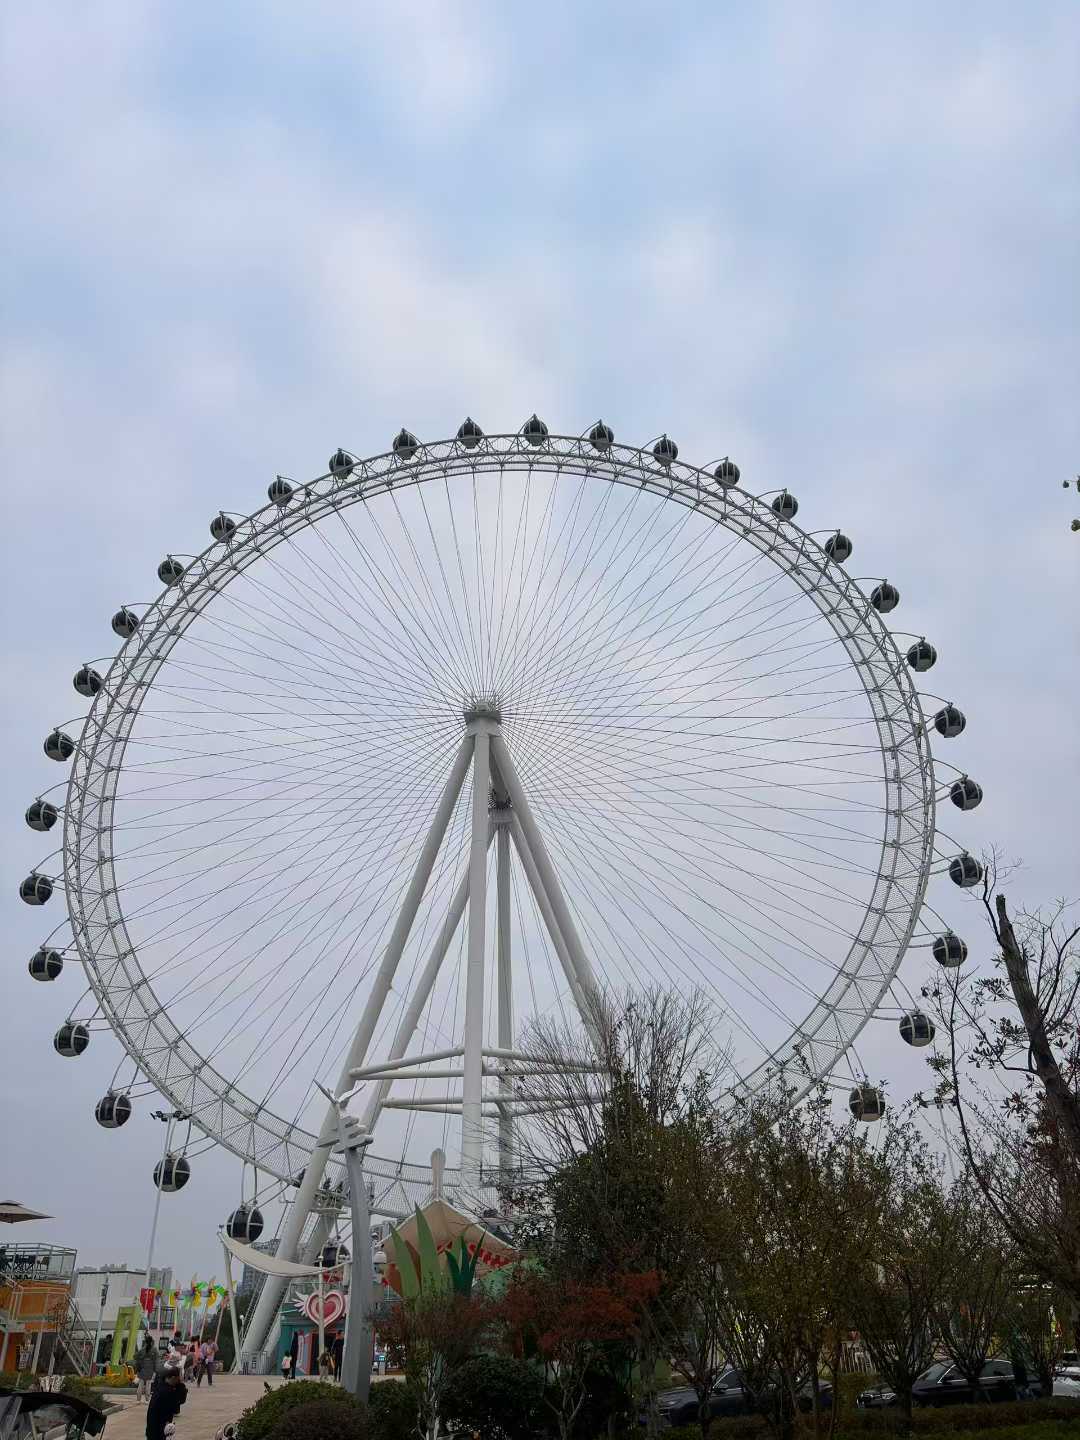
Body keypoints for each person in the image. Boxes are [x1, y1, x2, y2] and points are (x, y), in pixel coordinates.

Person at [146, 1366, 187, 1440]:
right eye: (178, 1379)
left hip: (153, 1427)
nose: (179, 1381)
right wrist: (181, 1385)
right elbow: (179, 1403)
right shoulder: (168, 1392)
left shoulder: (161, 1386)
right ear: (173, 1378)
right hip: (159, 1429)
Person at [135, 1336, 159, 1403]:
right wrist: (156, 1369)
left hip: (142, 1368)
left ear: (145, 1342)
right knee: (148, 1384)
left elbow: (135, 1356)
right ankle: (147, 1400)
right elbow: (156, 1360)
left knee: (140, 1384)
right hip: (150, 1368)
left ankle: (138, 1399)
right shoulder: (154, 1349)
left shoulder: (142, 1349)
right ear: (151, 1342)